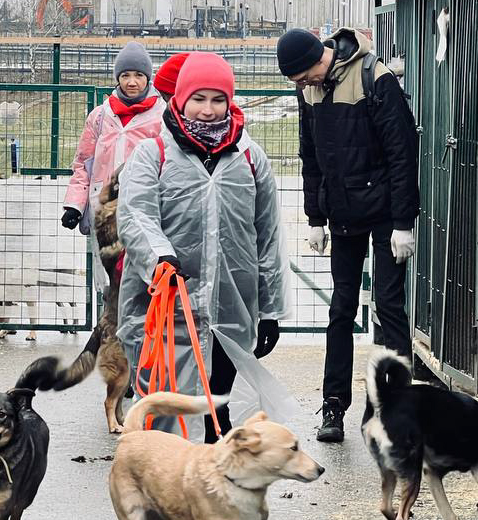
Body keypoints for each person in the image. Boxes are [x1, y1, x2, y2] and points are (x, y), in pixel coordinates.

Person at [116, 51, 285, 444]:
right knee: (166, 409)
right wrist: (160, 256)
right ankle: (164, 474)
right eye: (199, 99)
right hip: (166, 307)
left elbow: (268, 235)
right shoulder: (153, 155)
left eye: (218, 100)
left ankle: (211, 470)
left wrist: (271, 310)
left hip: (231, 309)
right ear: (180, 98)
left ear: (230, 101)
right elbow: (136, 214)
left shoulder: (249, 158)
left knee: (219, 411)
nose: (208, 110)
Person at [277, 27, 419, 443]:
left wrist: (403, 222)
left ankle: (398, 408)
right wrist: (315, 217)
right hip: (341, 212)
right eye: (298, 82)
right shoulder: (309, 92)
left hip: (384, 212)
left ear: (318, 58)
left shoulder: (375, 77)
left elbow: (402, 152)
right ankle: (334, 406)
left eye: (305, 76)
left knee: (389, 306)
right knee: (340, 309)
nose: (305, 85)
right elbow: (310, 155)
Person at [61, 41, 165, 270]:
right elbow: (83, 165)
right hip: (105, 212)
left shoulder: (161, 118)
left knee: (142, 274)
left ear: (148, 78)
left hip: (145, 211)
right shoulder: (100, 117)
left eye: (138, 75)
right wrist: (75, 205)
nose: (132, 82)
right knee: (109, 278)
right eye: (125, 75)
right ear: (118, 78)